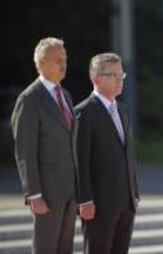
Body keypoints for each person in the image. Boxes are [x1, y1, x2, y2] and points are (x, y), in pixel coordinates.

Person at [10, 37, 78, 254]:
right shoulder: (29, 99)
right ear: (41, 62)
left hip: (70, 190)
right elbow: (25, 150)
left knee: (64, 249)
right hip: (47, 193)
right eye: (58, 60)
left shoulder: (65, 96)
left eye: (65, 60)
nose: (64, 65)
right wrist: (34, 193)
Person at [76, 53, 140, 254]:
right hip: (99, 205)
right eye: (113, 75)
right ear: (96, 79)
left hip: (126, 201)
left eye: (121, 74)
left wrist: (134, 192)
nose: (119, 79)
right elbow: (80, 161)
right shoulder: (84, 112)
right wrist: (85, 200)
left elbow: (128, 154)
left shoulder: (123, 110)